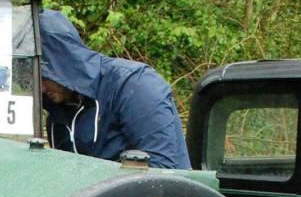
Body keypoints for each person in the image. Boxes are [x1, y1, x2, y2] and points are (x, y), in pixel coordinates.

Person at [37, 10, 191, 169]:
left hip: (153, 184)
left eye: (43, 76)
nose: (41, 88)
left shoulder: (134, 85)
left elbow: (162, 171)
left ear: (61, 64)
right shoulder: (58, 113)